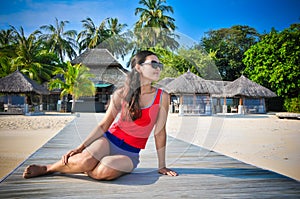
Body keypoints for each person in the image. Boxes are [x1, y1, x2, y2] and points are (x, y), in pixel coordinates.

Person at [23, 50, 178, 180]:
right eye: (153, 64)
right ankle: (49, 168)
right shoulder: (121, 94)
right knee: (86, 160)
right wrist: (80, 147)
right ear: (138, 67)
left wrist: (162, 166)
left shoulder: (162, 96)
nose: (158, 68)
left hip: (130, 153)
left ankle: (86, 166)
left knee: (101, 173)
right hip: (108, 140)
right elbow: (104, 124)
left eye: (160, 65)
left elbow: (160, 132)